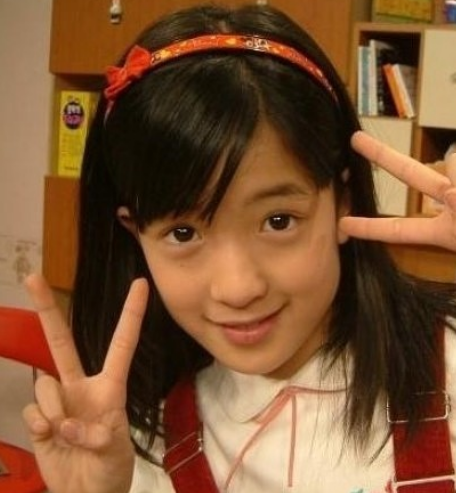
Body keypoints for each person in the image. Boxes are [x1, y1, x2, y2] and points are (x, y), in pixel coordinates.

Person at [23, 3, 456, 493]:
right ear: (135, 234)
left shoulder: (447, 366)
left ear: (343, 202)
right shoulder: (137, 445)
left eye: (278, 221)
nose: (238, 288)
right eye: (183, 233)